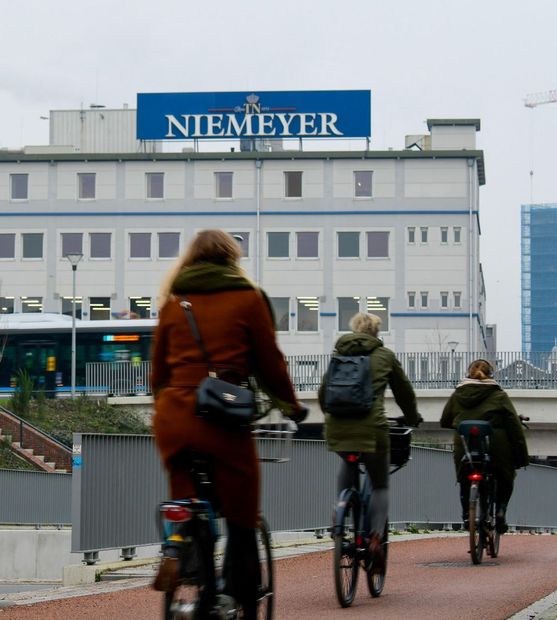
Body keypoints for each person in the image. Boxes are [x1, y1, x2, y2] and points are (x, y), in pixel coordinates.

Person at [150, 229, 305, 615]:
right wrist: (290, 405)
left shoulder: (173, 303)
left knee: (184, 495)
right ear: (231, 259)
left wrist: (168, 406)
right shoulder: (248, 299)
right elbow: (271, 363)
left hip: (175, 417)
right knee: (241, 514)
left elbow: (157, 374)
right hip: (223, 416)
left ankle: (180, 548)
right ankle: (239, 595)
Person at [319, 312, 420, 573]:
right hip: (372, 430)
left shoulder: (338, 354)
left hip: (338, 427)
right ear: (377, 332)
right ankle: (375, 538)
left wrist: (331, 415)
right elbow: (404, 392)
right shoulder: (385, 356)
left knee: (347, 460)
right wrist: (412, 417)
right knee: (379, 485)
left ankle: (339, 509)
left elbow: (323, 393)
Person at [441, 359, 529, 534]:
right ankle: (500, 511)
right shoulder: (499, 395)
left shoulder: (458, 394)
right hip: (496, 446)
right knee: (506, 477)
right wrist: (521, 454)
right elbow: (513, 425)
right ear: (490, 375)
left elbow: (445, 420)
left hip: (464, 444)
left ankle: (467, 515)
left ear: (469, 373)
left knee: (464, 478)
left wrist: (461, 423)